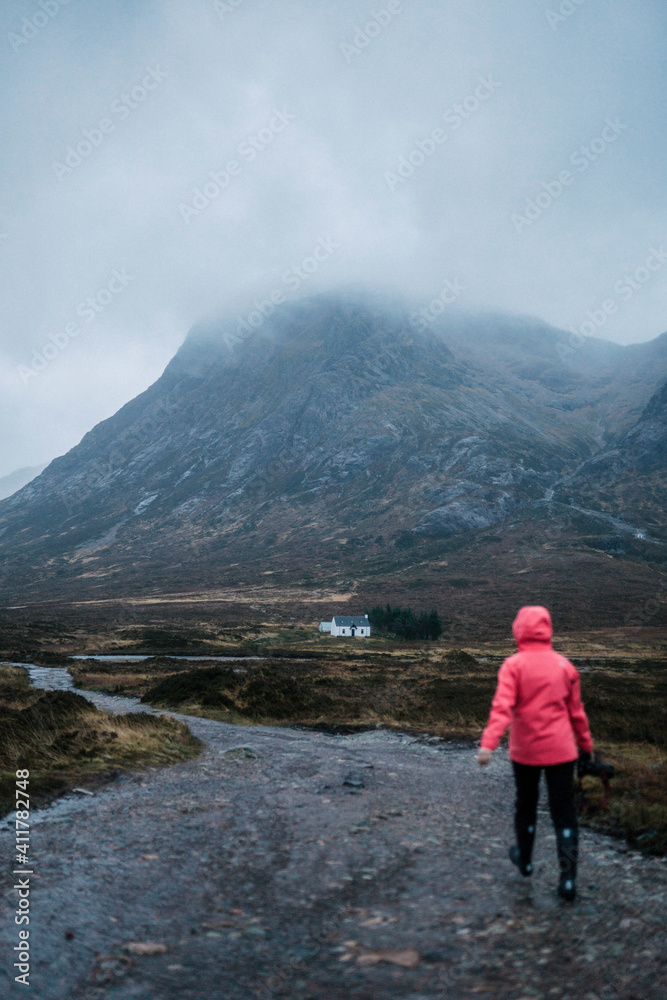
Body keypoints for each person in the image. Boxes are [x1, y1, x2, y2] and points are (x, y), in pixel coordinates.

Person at [476, 605, 593, 901]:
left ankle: (525, 862)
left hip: (525, 751)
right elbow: (577, 714)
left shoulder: (513, 665)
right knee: (563, 812)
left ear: (519, 630)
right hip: (563, 751)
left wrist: (488, 744)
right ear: (547, 629)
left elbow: (502, 708)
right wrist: (587, 747)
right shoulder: (565, 666)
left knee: (526, 804)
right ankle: (567, 881)